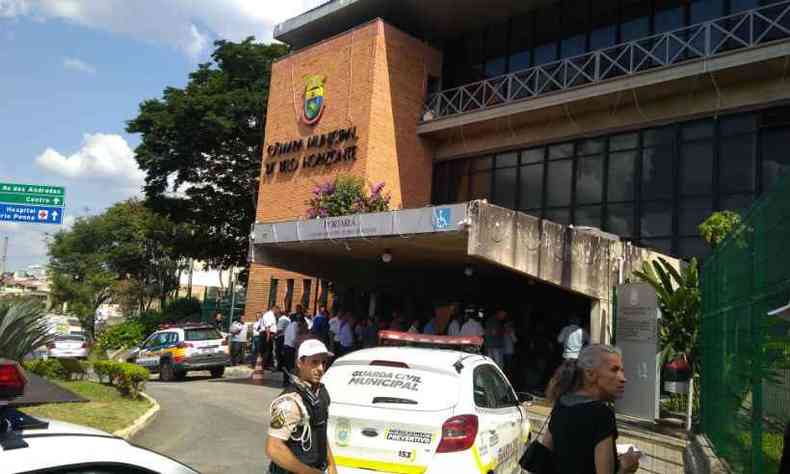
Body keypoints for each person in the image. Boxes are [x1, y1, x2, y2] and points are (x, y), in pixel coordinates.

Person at [542, 344, 641, 474]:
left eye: (622, 371)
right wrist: (626, 467)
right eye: (614, 370)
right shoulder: (601, 414)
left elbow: (545, 454)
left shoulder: (563, 403)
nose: (623, 379)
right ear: (590, 374)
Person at [265, 339, 337, 474]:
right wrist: (307, 471)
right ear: (300, 363)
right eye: (314, 362)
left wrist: (332, 464)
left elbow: (320, 431)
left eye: (323, 362)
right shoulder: (290, 402)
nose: (321, 369)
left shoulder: (320, 393)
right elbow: (273, 448)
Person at [283, 311, 303, 387]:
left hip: (286, 346)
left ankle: (285, 381)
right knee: (291, 365)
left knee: (286, 364)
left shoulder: (289, 325)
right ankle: (290, 382)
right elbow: (294, 337)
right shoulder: (295, 325)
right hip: (291, 347)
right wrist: (297, 346)